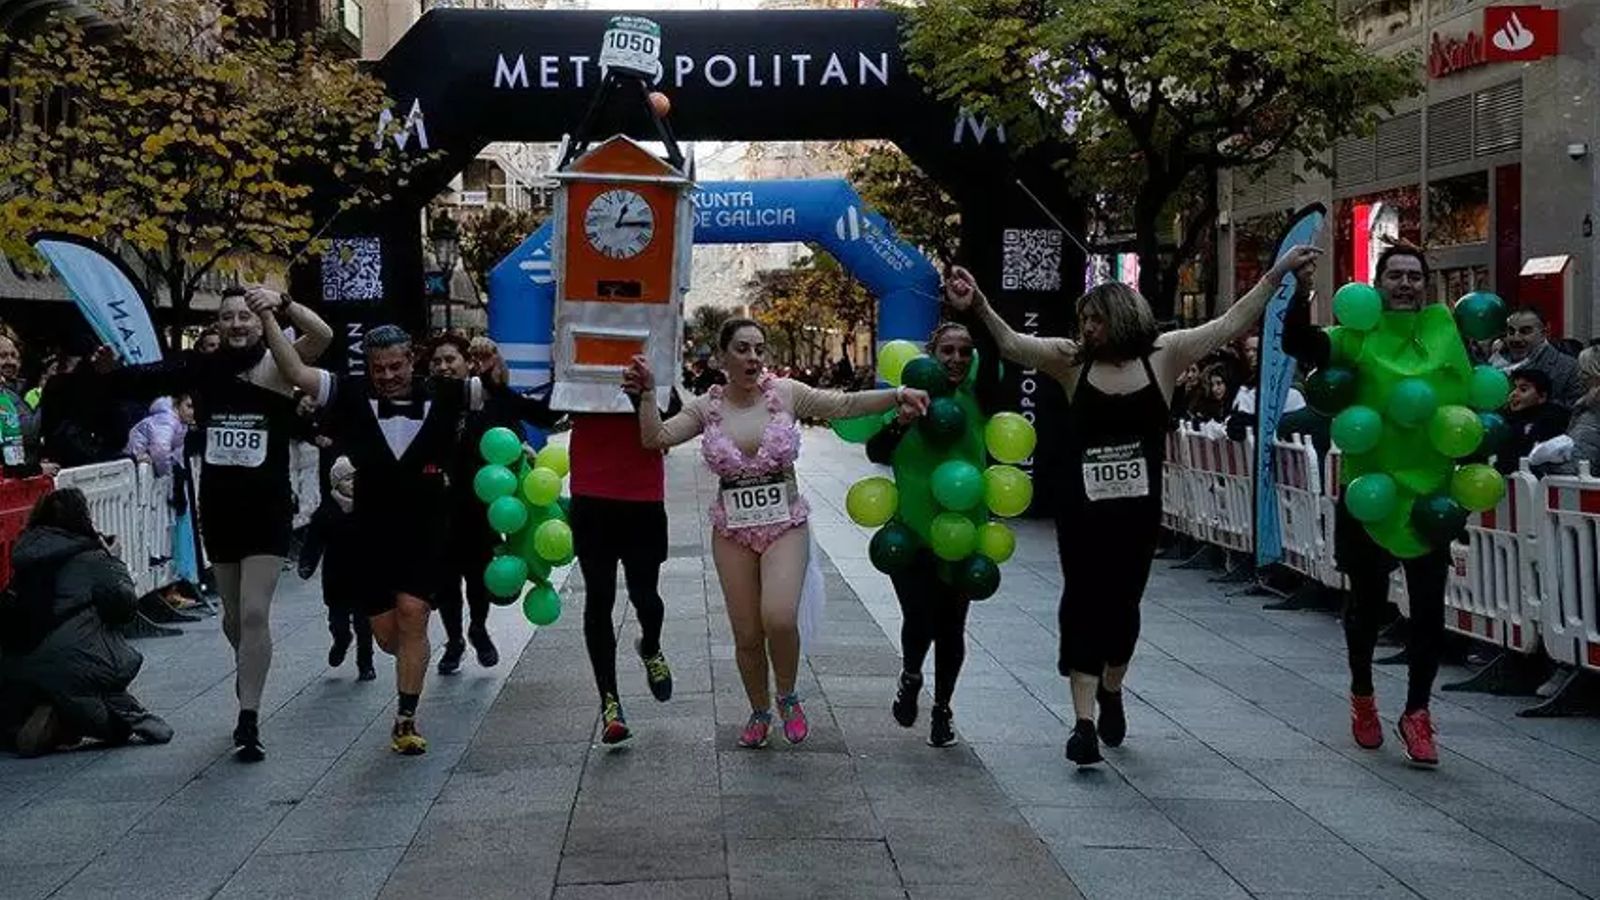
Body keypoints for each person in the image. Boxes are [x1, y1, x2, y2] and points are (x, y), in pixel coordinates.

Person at [947, 244, 1322, 766]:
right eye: (1083, 321)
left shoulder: (1164, 355)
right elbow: (1012, 344)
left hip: (1138, 510)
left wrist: (1277, 273)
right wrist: (978, 303)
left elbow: (1230, 322)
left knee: (1124, 606)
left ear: (1120, 317)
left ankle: (1112, 686)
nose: (1087, 330)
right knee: (1080, 599)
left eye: (1094, 320)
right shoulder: (1070, 361)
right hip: (1083, 508)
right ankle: (1081, 723)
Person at [627, 319, 929, 748]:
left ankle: (787, 696)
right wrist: (645, 394)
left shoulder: (785, 393)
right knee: (747, 632)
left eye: (759, 349)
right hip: (732, 532)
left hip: (784, 524)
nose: (753, 358)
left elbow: (843, 405)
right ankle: (759, 711)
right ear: (722, 357)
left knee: (780, 616)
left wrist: (897, 394)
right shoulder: (705, 407)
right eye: (744, 349)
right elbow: (655, 437)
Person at [93, 286, 334, 762]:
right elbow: (149, 377)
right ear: (218, 325)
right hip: (220, 505)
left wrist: (283, 305)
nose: (238, 324)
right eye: (228, 318)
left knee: (253, 613)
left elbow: (321, 335)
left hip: (267, 505)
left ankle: (249, 717)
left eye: (246, 316)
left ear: (257, 318)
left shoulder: (277, 363)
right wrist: (105, 372)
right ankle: (249, 665)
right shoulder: (203, 368)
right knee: (232, 618)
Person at [263, 315, 481, 756]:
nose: (387, 377)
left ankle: (405, 718)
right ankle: (410, 661)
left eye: (396, 367)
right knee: (387, 635)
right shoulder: (349, 393)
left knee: (414, 611)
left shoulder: (446, 391)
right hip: (370, 534)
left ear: (412, 360)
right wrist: (275, 311)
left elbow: (509, 393)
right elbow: (294, 371)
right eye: (379, 368)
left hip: (425, 530)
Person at [1281, 243, 1453, 767]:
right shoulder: (1354, 335)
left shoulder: (1445, 335)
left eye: (1415, 277)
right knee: (1367, 605)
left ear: (1427, 285)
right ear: (1377, 284)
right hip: (1369, 490)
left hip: (1428, 492)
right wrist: (1301, 287)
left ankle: (1417, 714)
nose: (1405, 284)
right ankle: (1363, 697)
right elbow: (1297, 342)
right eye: (1395, 276)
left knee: (1428, 610)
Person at [866, 318, 1002, 747]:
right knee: (919, 617)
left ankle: (943, 709)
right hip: (912, 529)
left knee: (952, 624)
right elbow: (876, 451)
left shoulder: (980, 396)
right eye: (948, 351)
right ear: (932, 354)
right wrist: (903, 420)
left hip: (964, 528)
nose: (957, 359)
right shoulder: (909, 396)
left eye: (965, 351)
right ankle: (910, 675)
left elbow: (1003, 355)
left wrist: (977, 306)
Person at [0, 488, 173, 757]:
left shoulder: (24, 554)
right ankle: (59, 720)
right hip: (77, 661)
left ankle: (45, 712)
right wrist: (114, 560)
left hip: (18, 663)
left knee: (54, 694)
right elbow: (124, 608)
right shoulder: (94, 557)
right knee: (118, 727)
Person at [429, 334, 562, 675]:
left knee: (477, 575)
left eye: (450, 360)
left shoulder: (490, 398)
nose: (444, 366)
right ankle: (454, 640)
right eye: (437, 361)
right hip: (439, 504)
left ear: (466, 363)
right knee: (445, 579)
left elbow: (526, 425)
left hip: (483, 507)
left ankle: (478, 628)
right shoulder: (427, 400)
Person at [1492, 307, 1582, 407]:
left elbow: (1575, 409)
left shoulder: (1568, 367)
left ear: (1544, 333)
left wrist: (1534, 404)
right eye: (1511, 331)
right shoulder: (1493, 361)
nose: (1516, 338)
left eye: (1525, 331)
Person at [1497, 369, 1569, 475]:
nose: (1514, 394)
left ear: (1542, 397)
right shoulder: (1504, 417)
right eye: (1512, 389)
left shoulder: (1552, 418)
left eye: (1523, 390)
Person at [123, 395, 195, 476]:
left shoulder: (181, 424)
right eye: (188, 406)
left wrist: (177, 466)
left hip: (147, 463)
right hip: (134, 459)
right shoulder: (166, 420)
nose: (192, 412)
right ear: (176, 405)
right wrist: (166, 474)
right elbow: (160, 449)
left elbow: (177, 450)